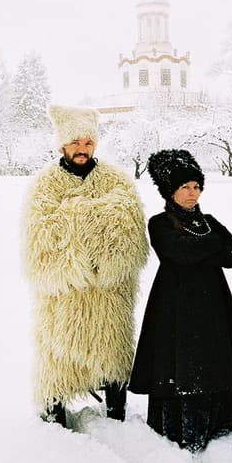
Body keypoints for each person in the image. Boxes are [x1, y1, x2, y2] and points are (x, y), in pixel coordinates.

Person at [20, 104, 149, 427]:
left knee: (112, 356)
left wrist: (75, 216)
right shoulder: (44, 186)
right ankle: (54, 424)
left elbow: (129, 228)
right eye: (75, 142)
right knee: (58, 364)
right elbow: (40, 238)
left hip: (108, 297)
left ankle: (117, 417)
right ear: (62, 144)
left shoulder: (116, 180)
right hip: (63, 300)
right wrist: (93, 219)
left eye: (88, 142)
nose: (82, 148)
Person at [128, 149, 232, 452]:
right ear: (169, 190)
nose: (192, 193)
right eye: (184, 186)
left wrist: (199, 249)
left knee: (218, 357)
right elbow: (178, 252)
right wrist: (210, 247)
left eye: (196, 186)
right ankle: (183, 427)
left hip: (215, 304)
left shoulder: (209, 221)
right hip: (175, 305)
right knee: (181, 362)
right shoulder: (159, 223)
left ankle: (222, 420)